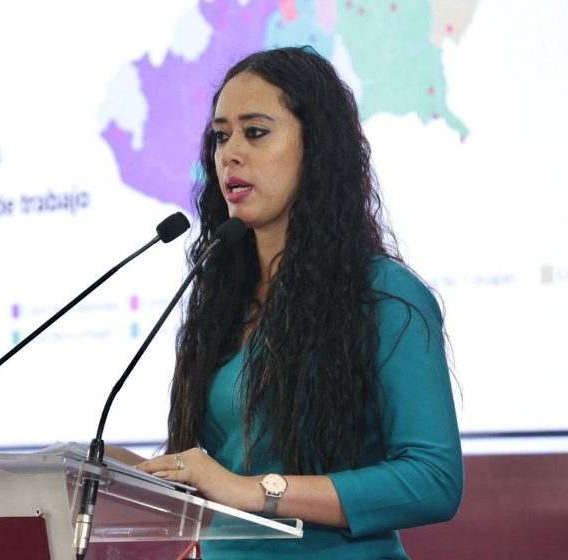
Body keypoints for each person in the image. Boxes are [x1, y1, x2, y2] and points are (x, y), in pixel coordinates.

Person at [116, 46, 464, 559]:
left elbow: (434, 480)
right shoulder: (224, 296)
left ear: (317, 149)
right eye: (221, 136)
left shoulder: (383, 294)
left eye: (255, 132)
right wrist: (133, 473)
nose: (230, 154)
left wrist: (256, 490)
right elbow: (228, 471)